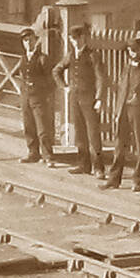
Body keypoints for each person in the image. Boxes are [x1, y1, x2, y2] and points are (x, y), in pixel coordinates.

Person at [102, 35, 140, 191]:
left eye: (135, 50)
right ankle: (113, 180)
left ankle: (138, 181)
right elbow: (121, 91)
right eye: (130, 50)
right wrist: (116, 112)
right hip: (123, 112)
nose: (133, 53)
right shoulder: (126, 69)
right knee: (119, 146)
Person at [53, 24, 106, 177]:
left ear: (83, 37)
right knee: (80, 133)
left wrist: (99, 98)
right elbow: (56, 70)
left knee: (93, 134)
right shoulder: (70, 55)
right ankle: (84, 165)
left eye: (77, 38)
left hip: (90, 100)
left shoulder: (92, 55)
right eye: (72, 39)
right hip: (75, 99)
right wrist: (64, 87)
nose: (75, 42)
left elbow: (101, 78)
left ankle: (99, 168)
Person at [16, 28, 57, 165]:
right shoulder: (22, 58)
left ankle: (48, 156)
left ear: (36, 40)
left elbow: (51, 80)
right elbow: (21, 76)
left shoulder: (42, 58)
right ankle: (33, 153)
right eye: (25, 41)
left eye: (31, 40)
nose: (28, 43)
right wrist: (22, 92)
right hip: (26, 96)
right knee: (28, 126)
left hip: (39, 98)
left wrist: (46, 95)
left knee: (42, 128)